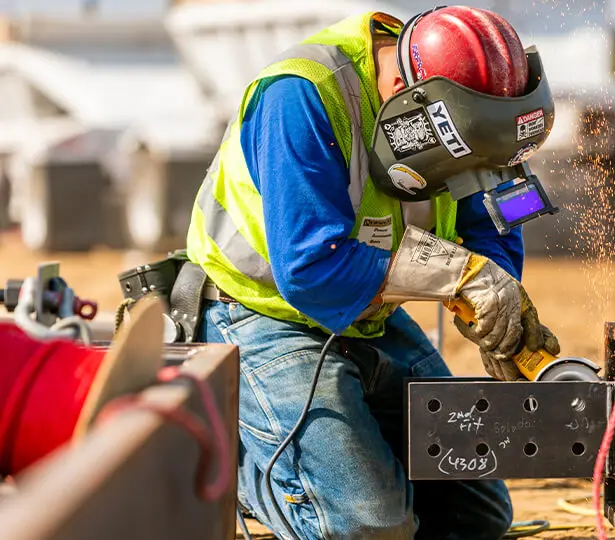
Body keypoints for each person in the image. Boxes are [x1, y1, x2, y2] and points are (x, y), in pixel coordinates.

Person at [186, 5, 561, 539]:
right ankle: (244, 462)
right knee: (368, 527)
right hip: (261, 315)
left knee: (476, 517)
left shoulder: (470, 111)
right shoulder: (301, 95)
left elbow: (493, 221)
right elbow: (311, 270)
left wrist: (493, 301)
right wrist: (463, 278)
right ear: (410, 98)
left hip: (368, 316)